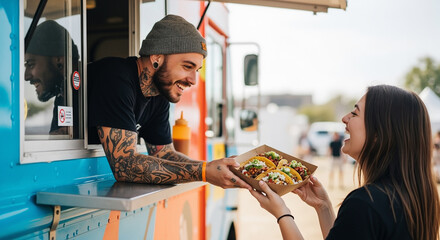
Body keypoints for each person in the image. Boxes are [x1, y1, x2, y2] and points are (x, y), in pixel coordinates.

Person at [249, 85, 440, 240]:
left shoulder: (365, 203)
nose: (344, 118)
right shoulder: (417, 197)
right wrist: (323, 207)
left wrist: (282, 213)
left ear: (378, 134)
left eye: (355, 114)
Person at [87, 15, 250, 189]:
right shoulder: (115, 77)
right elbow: (125, 165)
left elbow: (165, 155)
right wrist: (204, 171)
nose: (193, 80)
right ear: (156, 57)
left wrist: (214, 167)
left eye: (197, 70)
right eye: (187, 67)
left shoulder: (158, 95)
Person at [24, 20, 80, 136]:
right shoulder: (63, 96)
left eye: (31, 64)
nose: (26, 76)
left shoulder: (99, 88)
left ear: (59, 61)